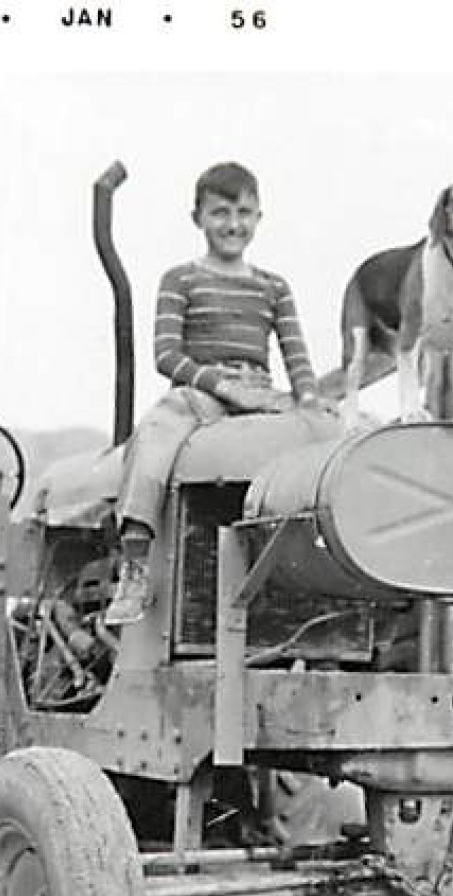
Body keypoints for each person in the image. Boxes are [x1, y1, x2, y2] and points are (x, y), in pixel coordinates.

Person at [105, 161, 326, 625]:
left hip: (261, 392)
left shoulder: (273, 287)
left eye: (244, 213)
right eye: (220, 213)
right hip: (201, 391)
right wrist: (224, 388)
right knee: (156, 433)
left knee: (331, 433)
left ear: (259, 218)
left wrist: (306, 399)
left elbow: (296, 356)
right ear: (198, 218)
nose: (233, 225)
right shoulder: (180, 280)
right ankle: (136, 560)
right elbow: (166, 355)